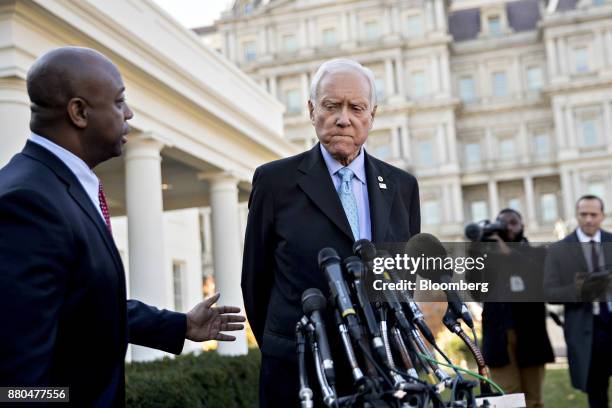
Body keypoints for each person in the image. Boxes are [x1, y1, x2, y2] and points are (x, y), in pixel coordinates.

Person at [0, 47, 246, 406]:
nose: (129, 113)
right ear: (79, 112)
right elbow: (18, 388)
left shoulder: (61, 186)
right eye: (119, 102)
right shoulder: (26, 203)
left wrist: (179, 326)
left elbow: (85, 306)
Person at [241, 58, 420, 407]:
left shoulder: (402, 186)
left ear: (372, 115)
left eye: (356, 107)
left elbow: (404, 279)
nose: (344, 118)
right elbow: (255, 280)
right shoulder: (275, 182)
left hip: (382, 372)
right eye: (331, 105)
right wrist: (288, 343)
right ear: (311, 110)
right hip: (299, 371)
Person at [474, 209, 554, 408]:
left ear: (523, 225)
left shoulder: (538, 253)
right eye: (502, 223)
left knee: (533, 399)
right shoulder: (489, 257)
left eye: (513, 222)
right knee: (508, 398)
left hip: (531, 336)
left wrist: (504, 249)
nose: (508, 227)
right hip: (499, 337)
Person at [544, 195, 612, 408]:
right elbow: (549, 292)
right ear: (577, 216)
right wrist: (579, 289)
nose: (589, 220)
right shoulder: (558, 250)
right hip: (587, 330)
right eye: (584, 215)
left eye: (594, 214)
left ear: (603, 216)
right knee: (597, 394)